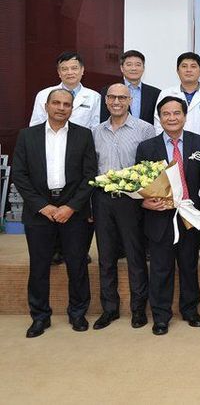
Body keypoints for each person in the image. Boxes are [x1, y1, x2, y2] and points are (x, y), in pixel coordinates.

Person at [13, 89, 97, 337]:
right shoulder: (27, 136)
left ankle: (78, 313)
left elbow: (89, 175)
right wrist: (43, 206)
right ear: (46, 106)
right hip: (39, 211)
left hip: (74, 210)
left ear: (72, 108)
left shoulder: (84, 135)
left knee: (77, 265)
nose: (61, 108)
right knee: (39, 267)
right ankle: (40, 317)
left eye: (66, 104)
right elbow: (19, 174)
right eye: (56, 103)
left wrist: (71, 207)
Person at [135, 96, 200, 336]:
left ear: (185, 116)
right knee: (160, 269)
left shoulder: (199, 142)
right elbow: (139, 183)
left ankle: (190, 310)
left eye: (177, 113)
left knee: (189, 266)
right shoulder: (147, 147)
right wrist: (145, 201)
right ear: (159, 118)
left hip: (189, 215)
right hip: (160, 217)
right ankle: (160, 316)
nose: (172, 118)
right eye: (166, 114)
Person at [90, 84, 155, 330]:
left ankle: (138, 310)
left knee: (135, 256)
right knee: (106, 257)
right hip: (102, 199)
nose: (116, 102)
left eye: (122, 98)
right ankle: (109, 309)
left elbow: (151, 168)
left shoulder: (144, 129)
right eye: (112, 97)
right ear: (106, 101)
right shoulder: (95, 131)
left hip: (132, 200)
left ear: (130, 101)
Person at [154, 52, 200, 263]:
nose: (189, 70)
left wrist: (197, 148)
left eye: (193, 66)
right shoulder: (166, 93)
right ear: (177, 70)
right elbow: (158, 122)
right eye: (184, 66)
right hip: (170, 150)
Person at [29, 51, 101, 129]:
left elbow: (95, 128)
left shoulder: (95, 97)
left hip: (81, 137)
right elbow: (35, 126)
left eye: (74, 68)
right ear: (59, 73)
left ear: (82, 70)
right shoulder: (43, 95)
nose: (69, 72)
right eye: (64, 69)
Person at [99, 50, 161, 125]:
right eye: (129, 65)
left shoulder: (156, 94)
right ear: (122, 68)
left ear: (143, 68)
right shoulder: (108, 91)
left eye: (138, 65)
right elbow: (104, 119)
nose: (133, 68)